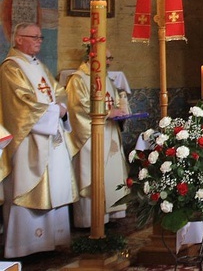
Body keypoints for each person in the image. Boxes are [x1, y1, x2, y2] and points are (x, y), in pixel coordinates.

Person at [0, 23, 78, 258]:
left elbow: (59, 90)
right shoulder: (10, 68)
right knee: (28, 184)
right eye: (34, 37)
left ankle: (53, 241)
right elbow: (20, 104)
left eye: (40, 37)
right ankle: (23, 246)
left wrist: (62, 106)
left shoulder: (38, 66)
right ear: (18, 39)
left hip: (51, 136)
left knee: (55, 183)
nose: (39, 40)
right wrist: (56, 111)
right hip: (28, 140)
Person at [66, 48, 128, 228]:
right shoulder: (78, 79)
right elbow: (78, 107)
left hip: (110, 131)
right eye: (105, 58)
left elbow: (115, 101)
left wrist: (122, 111)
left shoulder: (106, 78)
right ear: (92, 57)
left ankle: (112, 213)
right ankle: (90, 219)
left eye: (110, 58)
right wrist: (109, 112)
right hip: (90, 135)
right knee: (92, 172)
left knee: (112, 172)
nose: (109, 62)